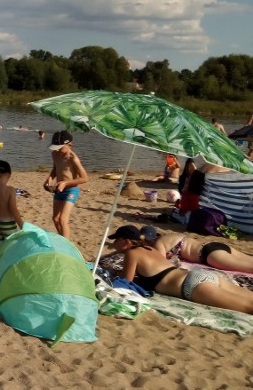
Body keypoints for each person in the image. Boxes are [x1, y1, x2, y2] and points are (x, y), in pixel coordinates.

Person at [109, 225, 253, 314]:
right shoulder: (151, 249)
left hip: (190, 286)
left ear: (125, 241)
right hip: (200, 275)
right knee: (249, 298)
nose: (114, 243)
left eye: (116, 240)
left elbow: (125, 282)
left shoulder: (131, 253)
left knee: (247, 307)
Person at [140, 226, 253, 274]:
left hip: (209, 255)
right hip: (214, 245)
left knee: (248, 268)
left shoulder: (159, 244)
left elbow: (160, 263)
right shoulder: (168, 236)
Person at [44, 130, 88, 239]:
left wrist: (65, 183)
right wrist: (50, 178)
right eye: (56, 148)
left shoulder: (73, 158)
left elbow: (85, 178)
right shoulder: (55, 154)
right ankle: (63, 238)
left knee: (63, 219)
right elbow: (55, 169)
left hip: (71, 190)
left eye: (60, 148)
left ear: (70, 145)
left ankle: (67, 245)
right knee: (55, 218)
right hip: (59, 189)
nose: (58, 150)